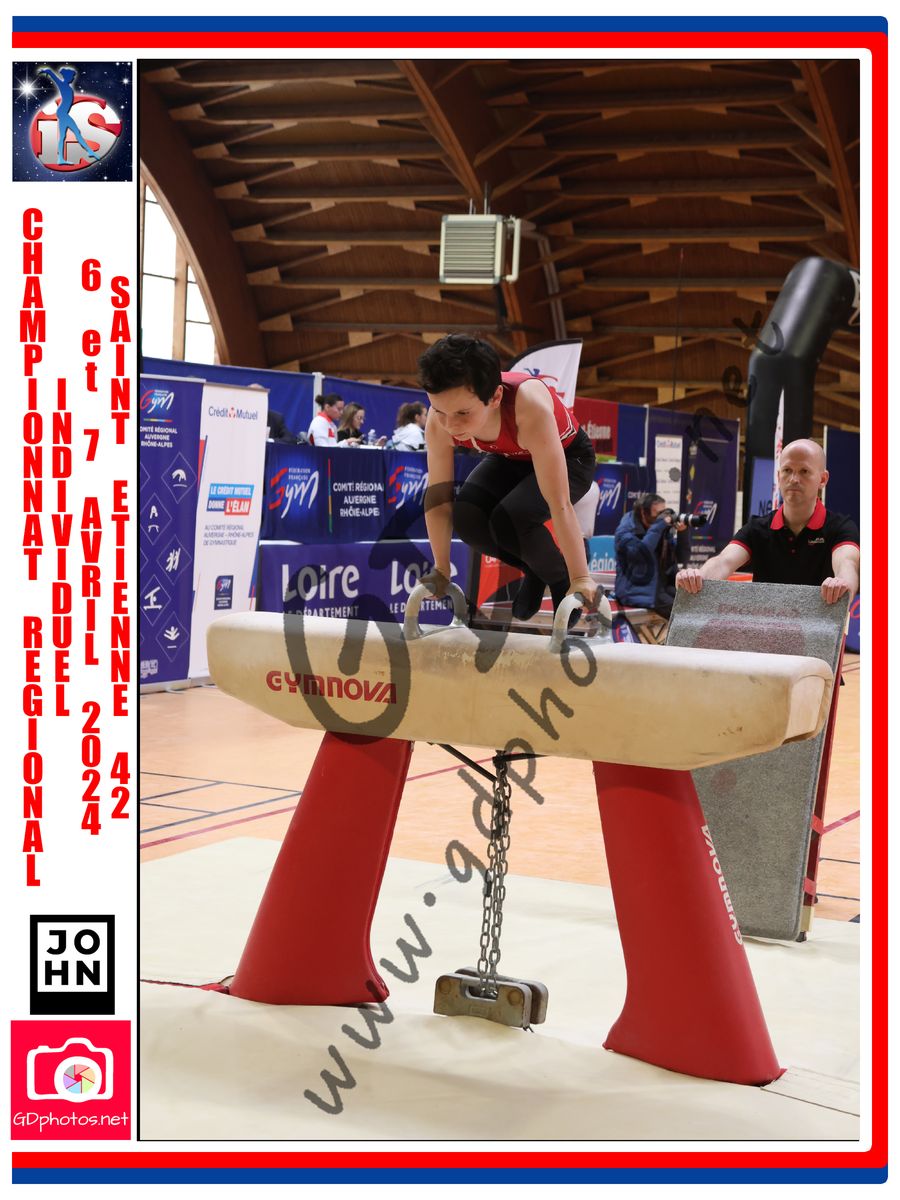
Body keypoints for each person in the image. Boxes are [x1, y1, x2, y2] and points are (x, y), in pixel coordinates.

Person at [417, 333, 599, 619]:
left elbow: (560, 503)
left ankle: (559, 579)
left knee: (513, 517)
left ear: (496, 397)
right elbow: (439, 496)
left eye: (463, 413)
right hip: (510, 456)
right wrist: (441, 569)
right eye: (440, 411)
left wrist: (580, 578)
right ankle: (536, 569)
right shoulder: (439, 421)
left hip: (570, 456)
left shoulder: (529, 407)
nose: (450, 425)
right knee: (467, 517)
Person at [675, 438, 860, 605]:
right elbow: (724, 561)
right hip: (765, 629)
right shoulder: (757, 528)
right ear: (778, 477)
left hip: (820, 629)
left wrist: (842, 583)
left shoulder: (841, 528)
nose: (794, 479)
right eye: (787, 470)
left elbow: (847, 564)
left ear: (823, 479)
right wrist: (697, 578)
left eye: (804, 471)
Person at [614, 493, 690, 619]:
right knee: (683, 616)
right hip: (637, 591)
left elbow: (682, 557)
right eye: (658, 513)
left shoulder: (660, 529)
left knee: (693, 604)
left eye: (663, 512)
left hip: (661, 587)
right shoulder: (625, 531)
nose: (662, 517)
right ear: (643, 512)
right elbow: (640, 555)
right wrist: (659, 525)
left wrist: (683, 533)